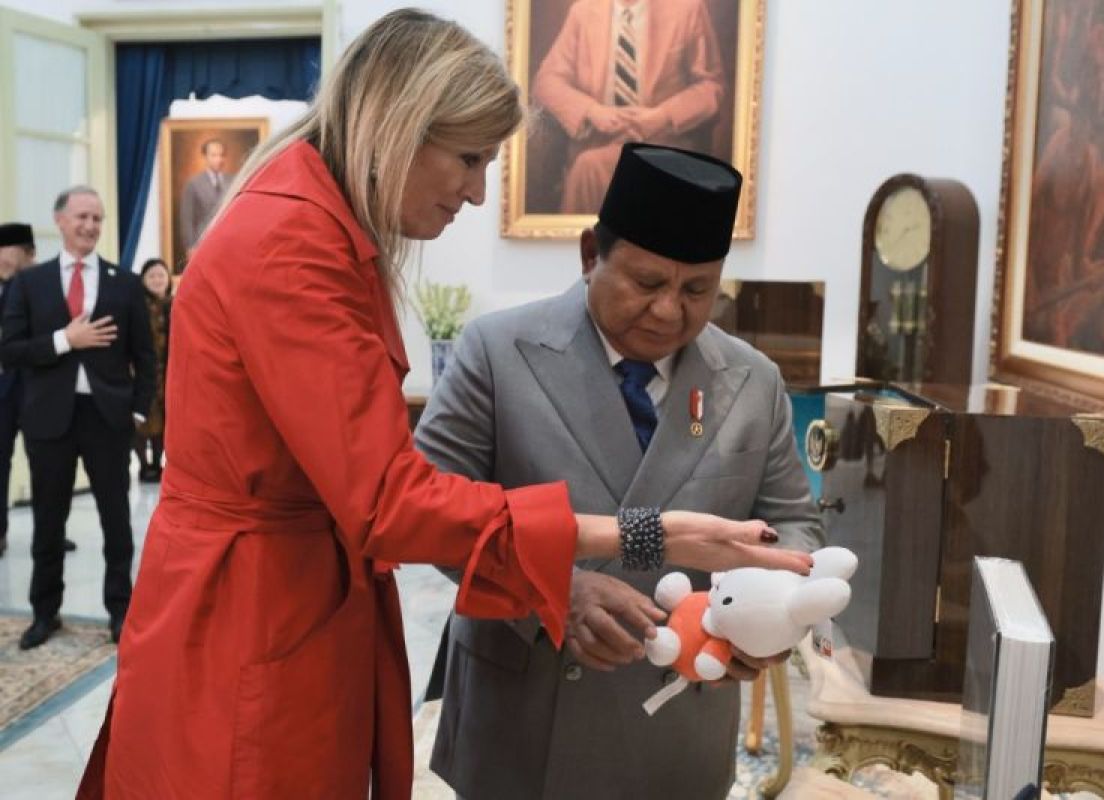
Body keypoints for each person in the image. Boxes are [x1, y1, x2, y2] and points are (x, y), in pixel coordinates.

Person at [75, 11, 810, 800]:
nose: (477, 191)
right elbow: (393, 500)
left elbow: (794, 520)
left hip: (302, 601)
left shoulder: (317, 225)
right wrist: (642, 534)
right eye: (468, 158)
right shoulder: (294, 242)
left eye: (695, 290)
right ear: (397, 125)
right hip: (258, 607)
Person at [419, 142, 823, 799]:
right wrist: (555, 589)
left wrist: (764, 615)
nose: (668, 312)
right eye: (647, 283)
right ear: (590, 255)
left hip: (677, 723)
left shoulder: (752, 381)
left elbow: (793, 526)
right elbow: (430, 515)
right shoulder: (496, 352)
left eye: (697, 290)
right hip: (522, 718)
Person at [0, 188, 155, 650]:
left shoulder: (125, 284)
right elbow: (10, 350)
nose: (90, 226)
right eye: (82, 217)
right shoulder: (30, 283)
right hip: (49, 420)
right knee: (49, 522)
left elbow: (145, 356)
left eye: (97, 219)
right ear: (60, 220)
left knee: (116, 523)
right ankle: (44, 613)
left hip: (108, 419)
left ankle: (121, 611)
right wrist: (65, 340)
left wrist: (138, 409)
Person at [532, 0, 725, 212]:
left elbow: (711, 87)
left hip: (663, 141)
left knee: (590, 168)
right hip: (599, 140)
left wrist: (663, 116)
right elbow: (546, 82)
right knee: (588, 166)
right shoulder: (583, 12)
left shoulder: (687, 9)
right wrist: (592, 111)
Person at [0, 222, 39, 558]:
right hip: (3, 390)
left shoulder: (41, 285)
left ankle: (49, 533)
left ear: (28, 253)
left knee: (46, 464)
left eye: (6, 250)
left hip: (37, 387)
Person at [132, 258, 172, 482]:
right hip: (142, 371)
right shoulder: (137, 306)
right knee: (144, 420)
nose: (157, 280)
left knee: (165, 421)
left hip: (169, 371)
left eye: (161, 275)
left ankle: (158, 463)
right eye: (152, 276)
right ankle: (144, 465)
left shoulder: (176, 304)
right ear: (143, 280)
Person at [178, 137, 233, 253]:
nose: (219, 159)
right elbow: (187, 218)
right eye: (214, 155)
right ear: (205, 157)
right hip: (203, 242)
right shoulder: (193, 184)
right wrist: (190, 246)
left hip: (229, 242)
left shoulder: (233, 180)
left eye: (221, 155)